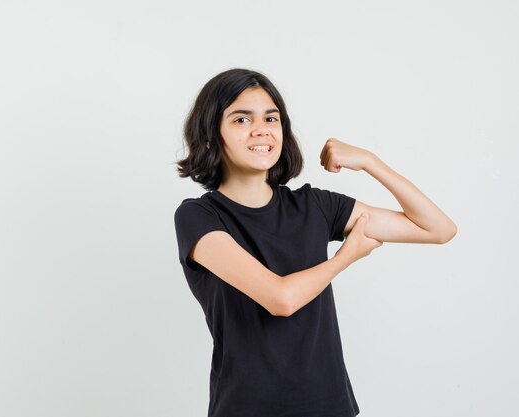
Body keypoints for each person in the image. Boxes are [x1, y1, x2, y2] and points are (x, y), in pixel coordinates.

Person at [173, 68, 457, 417]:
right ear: (210, 137)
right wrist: (345, 257)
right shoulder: (198, 216)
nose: (261, 129)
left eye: (271, 118)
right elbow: (280, 299)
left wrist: (370, 162)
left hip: (329, 406)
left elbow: (438, 229)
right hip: (246, 407)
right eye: (242, 119)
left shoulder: (315, 206)